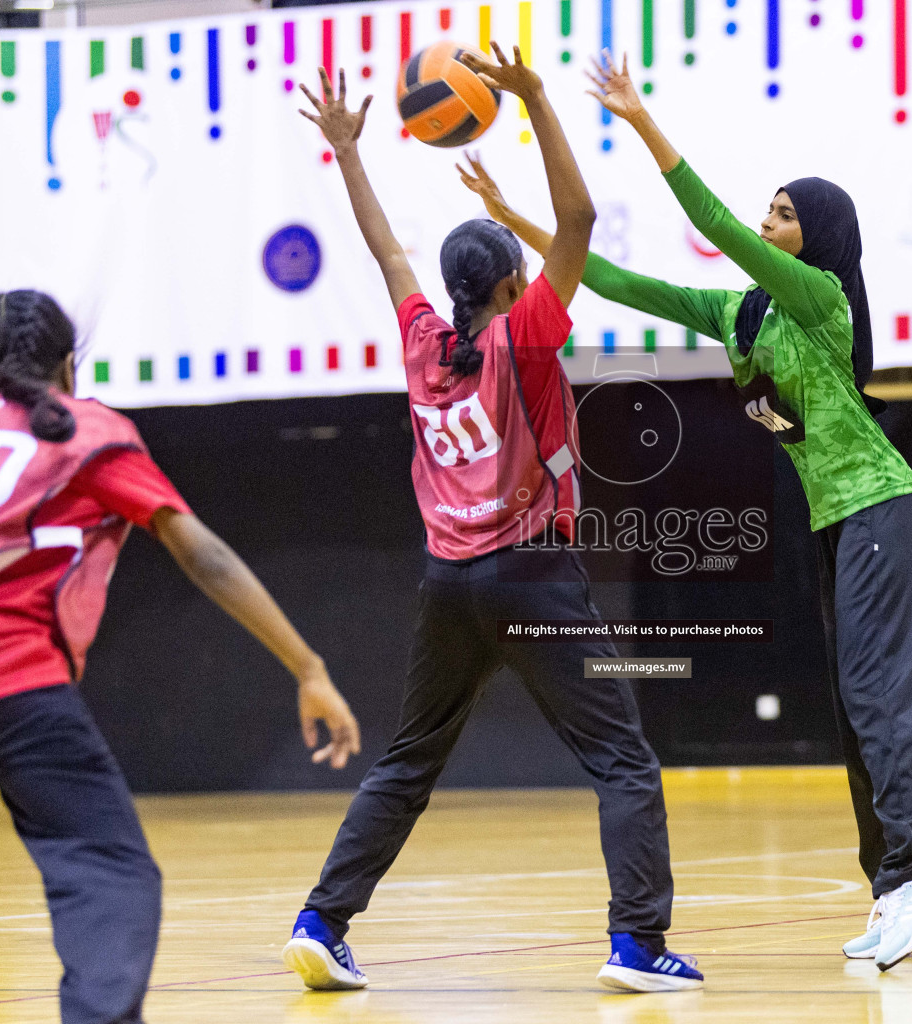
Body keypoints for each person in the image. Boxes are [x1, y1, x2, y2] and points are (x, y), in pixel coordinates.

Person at [457, 50, 912, 972]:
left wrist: (642, 123)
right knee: (855, 704)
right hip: (833, 519)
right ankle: (896, 888)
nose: (770, 223)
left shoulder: (822, 301)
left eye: (785, 214)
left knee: (885, 696)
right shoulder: (744, 317)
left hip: (882, 503)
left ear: (819, 236)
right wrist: (512, 219)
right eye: (771, 209)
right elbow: (612, 283)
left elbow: (718, 225)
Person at [281, 53, 701, 994]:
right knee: (623, 762)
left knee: (408, 759)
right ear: (515, 284)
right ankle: (637, 944)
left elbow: (388, 253)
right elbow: (582, 222)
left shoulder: (424, 339)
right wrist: (539, 98)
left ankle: (323, 918)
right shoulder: (530, 334)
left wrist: (349, 150)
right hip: (532, 574)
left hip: (447, 584)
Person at [0, 290, 360, 1024]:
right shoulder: (85, 428)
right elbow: (205, 555)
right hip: (3, 674)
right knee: (109, 871)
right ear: (69, 363)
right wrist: (308, 666)